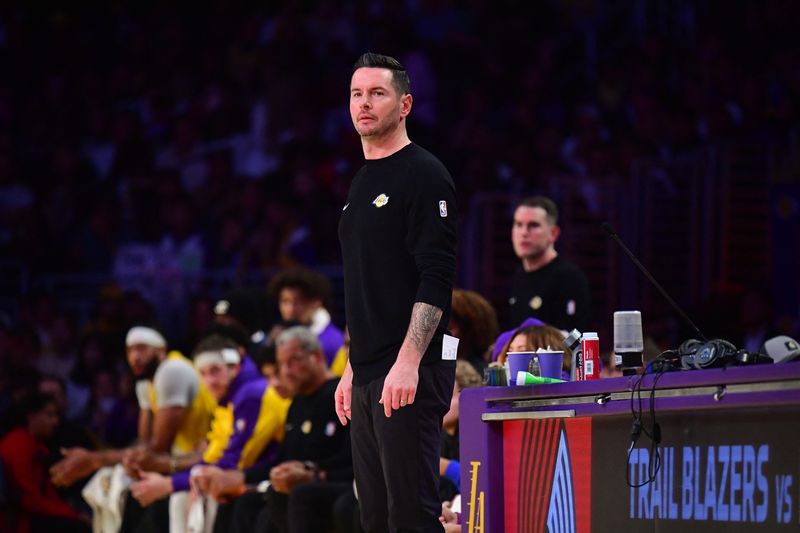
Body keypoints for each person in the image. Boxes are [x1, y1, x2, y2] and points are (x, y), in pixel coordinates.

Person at [336, 52, 459, 533]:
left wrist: (407, 361)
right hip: (368, 372)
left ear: (404, 104)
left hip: (410, 369)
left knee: (410, 516)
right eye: (356, 94)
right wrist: (352, 364)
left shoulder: (425, 174)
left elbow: (436, 276)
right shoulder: (362, 180)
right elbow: (367, 285)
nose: (364, 103)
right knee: (375, 518)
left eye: (377, 93)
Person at [195, 326, 352, 533]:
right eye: (281, 364)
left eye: (293, 361)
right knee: (242, 500)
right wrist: (242, 478)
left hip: (332, 483)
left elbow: (350, 459)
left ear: (317, 356)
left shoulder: (341, 396)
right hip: (297, 486)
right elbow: (281, 460)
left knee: (292, 497)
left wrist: (314, 473)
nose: (286, 371)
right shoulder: (296, 404)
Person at [129, 333, 289, 530]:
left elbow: (234, 462)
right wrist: (174, 481)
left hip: (266, 478)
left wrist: (170, 483)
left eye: (215, 371)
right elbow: (213, 456)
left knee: (204, 493)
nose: (209, 381)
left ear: (234, 367)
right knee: (184, 494)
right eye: (203, 374)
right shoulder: (228, 399)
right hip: (251, 477)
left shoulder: (252, 395)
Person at [50, 326, 216, 488]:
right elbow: (144, 445)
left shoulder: (172, 370)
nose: (135, 357)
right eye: (130, 350)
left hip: (204, 454)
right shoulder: (145, 382)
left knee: (129, 482)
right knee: (109, 481)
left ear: (161, 350)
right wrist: (98, 459)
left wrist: (94, 459)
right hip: (184, 456)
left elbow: (159, 448)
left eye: (142, 349)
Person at [0, 391, 91, 533]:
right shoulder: (17, 445)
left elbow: (47, 494)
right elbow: (29, 500)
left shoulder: (34, 444)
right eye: (49, 415)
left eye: (56, 415)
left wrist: (72, 512)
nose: (55, 421)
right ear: (31, 416)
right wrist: (74, 515)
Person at [509, 196, 591, 332]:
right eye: (518, 224)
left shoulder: (570, 277)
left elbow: (575, 338)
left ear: (553, 233)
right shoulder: (519, 275)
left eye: (533, 225)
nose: (524, 233)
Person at [267, 267, 344, 366]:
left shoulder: (334, 343)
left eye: (298, 302)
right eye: (285, 301)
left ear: (316, 302)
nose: (290, 309)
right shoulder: (274, 337)